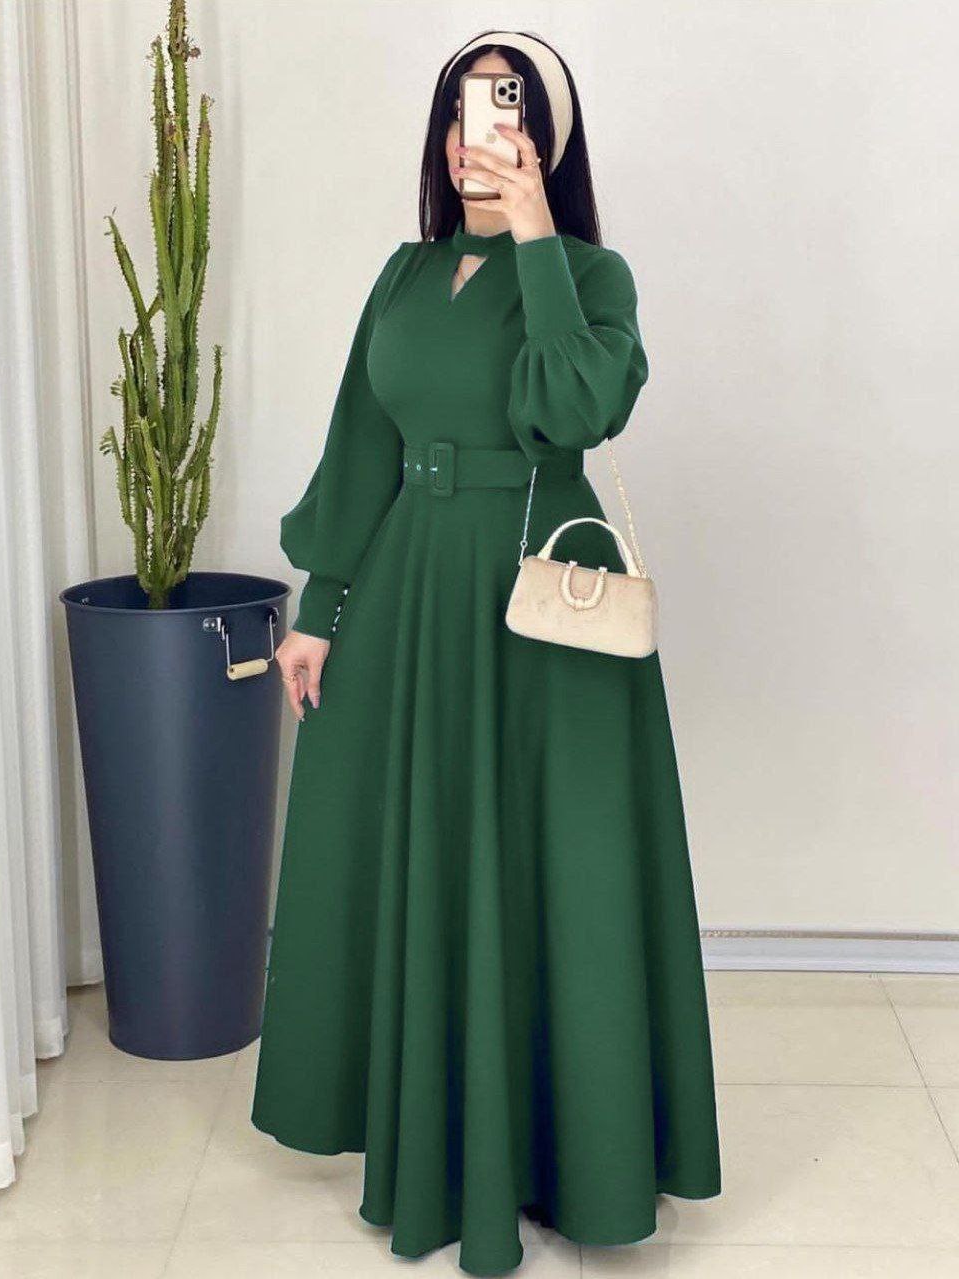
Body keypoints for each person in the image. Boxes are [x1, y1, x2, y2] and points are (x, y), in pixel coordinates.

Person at [251, 29, 721, 1276]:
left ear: (547, 139)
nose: (480, 136)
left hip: (541, 605)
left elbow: (576, 408)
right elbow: (360, 441)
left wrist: (537, 239)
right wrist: (320, 609)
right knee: (419, 851)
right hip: (411, 590)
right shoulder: (403, 276)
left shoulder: (593, 276)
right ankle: (440, 1146)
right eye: (461, 112)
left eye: (506, 111)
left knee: (557, 866)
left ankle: (572, 1161)